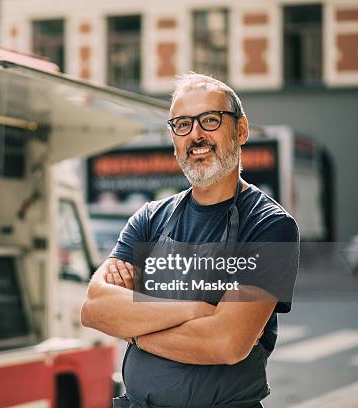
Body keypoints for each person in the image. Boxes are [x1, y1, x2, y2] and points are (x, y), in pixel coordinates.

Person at [81, 73, 299, 408]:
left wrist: (133, 327)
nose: (195, 135)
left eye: (210, 120)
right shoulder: (150, 218)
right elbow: (95, 308)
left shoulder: (269, 227)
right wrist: (196, 310)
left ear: (241, 130)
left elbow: (227, 343)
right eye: (182, 124)